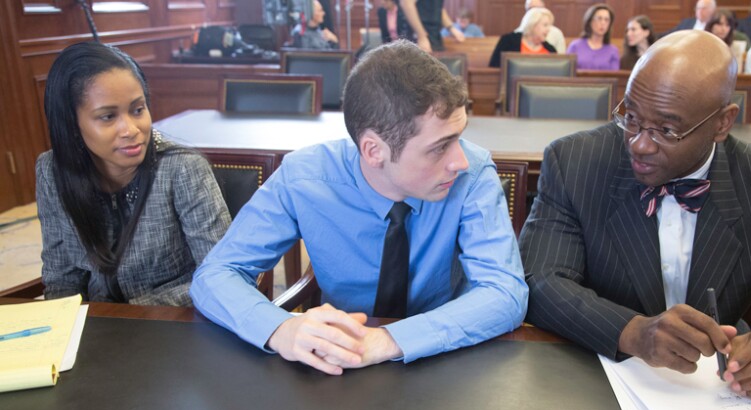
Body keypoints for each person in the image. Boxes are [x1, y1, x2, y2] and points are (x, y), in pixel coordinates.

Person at [519, 30, 751, 399]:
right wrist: (632, 331)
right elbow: (539, 280)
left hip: (720, 395)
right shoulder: (576, 162)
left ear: (722, 123)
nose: (639, 143)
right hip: (593, 380)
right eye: (631, 117)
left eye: (668, 129)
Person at [191, 41, 528, 376]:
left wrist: (387, 340)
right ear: (373, 150)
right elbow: (215, 275)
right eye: (440, 148)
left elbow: (505, 293)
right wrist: (280, 329)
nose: (460, 160)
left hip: (445, 360)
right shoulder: (305, 177)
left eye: (459, 136)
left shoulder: (473, 174)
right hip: (336, 369)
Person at [37, 41, 230, 306]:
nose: (130, 129)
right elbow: (62, 280)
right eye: (107, 117)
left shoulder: (182, 168)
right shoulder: (52, 171)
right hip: (99, 329)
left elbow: (222, 278)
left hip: (177, 323)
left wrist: (132, 313)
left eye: (138, 110)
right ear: (71, 124)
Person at [489, 7, 557, 68]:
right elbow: (494, 68)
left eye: (549, 26)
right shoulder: (508, 41)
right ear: (532, 25)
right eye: (545, 25)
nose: (548, 29)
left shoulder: (551, 50)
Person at [566, 4, 620, 71]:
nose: (603, 23)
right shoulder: (575, 46)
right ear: (590, 21)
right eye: (599, 18)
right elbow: (567, 72)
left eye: (606, 20)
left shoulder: (613, 50)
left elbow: (615, 77)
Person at [399, 0, 464, 52]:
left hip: (434, 37)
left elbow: (439, 8)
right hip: (418, 38)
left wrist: (451, 28)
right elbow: (407, 3)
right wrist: (421, 36)